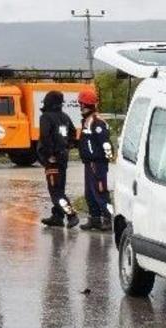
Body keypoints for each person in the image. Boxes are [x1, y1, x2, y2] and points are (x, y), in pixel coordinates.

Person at [38, 90, 79, 228]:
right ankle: (57, 216)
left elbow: (45, 136)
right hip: (63, 157)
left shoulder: (46, 117)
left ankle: (71, 214)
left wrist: (49, 154)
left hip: (53, 159)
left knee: (55, 191)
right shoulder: (65, 116)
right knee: (59, 187)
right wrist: (67, 146)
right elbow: (73, 133)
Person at [77, 90, 113, 232]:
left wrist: (106, 159)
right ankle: (95, 219)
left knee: (100, 191)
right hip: (89, 162)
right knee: (90, 193)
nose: (80, 107)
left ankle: (109, 219)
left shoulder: (97, 122)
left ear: (86, 105)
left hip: (97, 163)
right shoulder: (87, 120)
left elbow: (105, 142)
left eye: (81, 104)